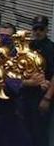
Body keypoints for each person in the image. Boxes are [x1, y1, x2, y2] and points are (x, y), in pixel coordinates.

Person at [23, 16, 54, 146]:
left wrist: (47, 98)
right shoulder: (28, 46)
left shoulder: (51, 48)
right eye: (35, 29)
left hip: (42, 94)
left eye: (41, 29)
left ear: (47, 29)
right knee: (25, 131)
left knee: (40, 133)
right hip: (26, 93)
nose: (38, 32)